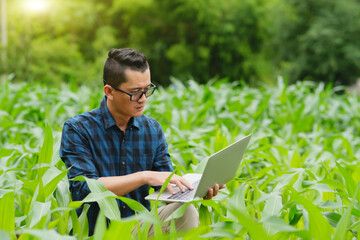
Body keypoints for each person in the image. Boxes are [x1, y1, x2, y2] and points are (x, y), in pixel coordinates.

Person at [59, 48, 222, 236]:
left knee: (185, 211)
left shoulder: (152, 130)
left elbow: (166, 188)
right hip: (95, 234)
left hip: (139, 230)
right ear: (109, 91)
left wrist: (195, 192)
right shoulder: (78, 129)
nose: (143, 99)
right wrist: (144, 177)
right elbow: (85, 189)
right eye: (135, 92)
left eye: (147, 90)